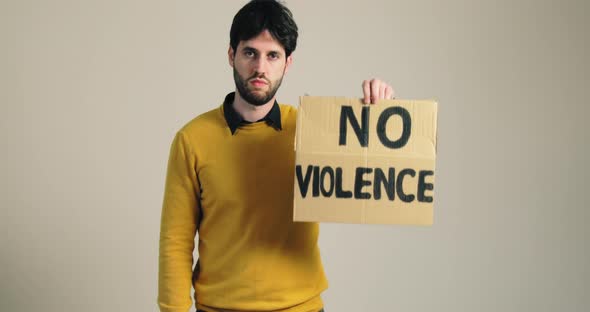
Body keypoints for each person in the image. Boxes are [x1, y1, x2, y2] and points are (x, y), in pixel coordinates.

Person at [158, 1, 395, 311]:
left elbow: (382, 173)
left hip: (302, 307)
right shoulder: (191, 139)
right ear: (232, 55)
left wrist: (384, 112)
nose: (260, 68)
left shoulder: (311, 129)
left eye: (273, 56)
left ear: (288, 63)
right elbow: (176, 242)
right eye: (250, 53)